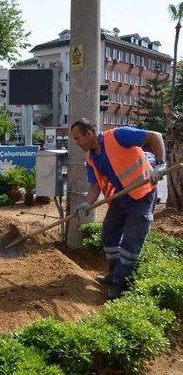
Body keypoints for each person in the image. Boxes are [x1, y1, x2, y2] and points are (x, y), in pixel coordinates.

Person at [70, 118, 165, 300]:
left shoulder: (119, 135)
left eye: (77, 138)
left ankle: (121, 284)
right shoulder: (91, 158)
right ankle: (113, 274)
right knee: (109, 234)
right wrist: (87, 204)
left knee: (131, 242)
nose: (76, 143)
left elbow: (155, 136)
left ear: (89, 134)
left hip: (143, 194)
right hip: (121, 196)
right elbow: (95, 186)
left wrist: (160, 165)